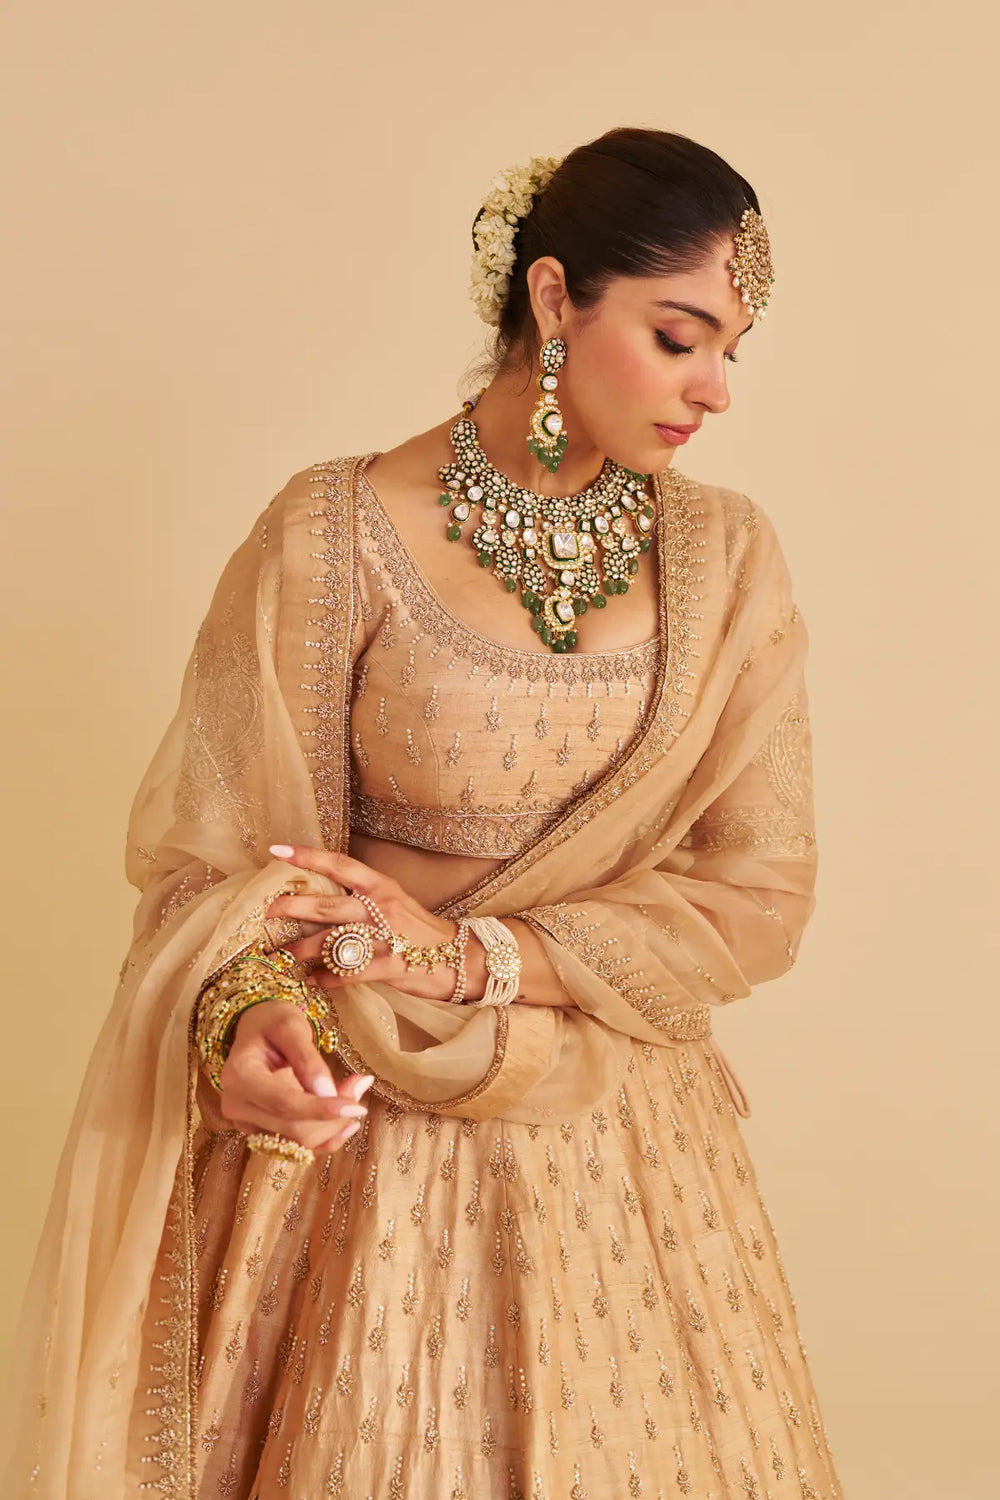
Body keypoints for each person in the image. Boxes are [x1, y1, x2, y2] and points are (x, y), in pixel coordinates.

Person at [2, 125, 845, 1498]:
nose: (718, 388)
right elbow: (220, 868)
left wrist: (475, 959)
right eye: (681, 335)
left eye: (732, 350)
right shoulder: (332, 535)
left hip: (616, 1136)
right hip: (360, 1135)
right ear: (556, 296)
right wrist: (250, 1019)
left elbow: (757, 895)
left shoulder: (727, 559)